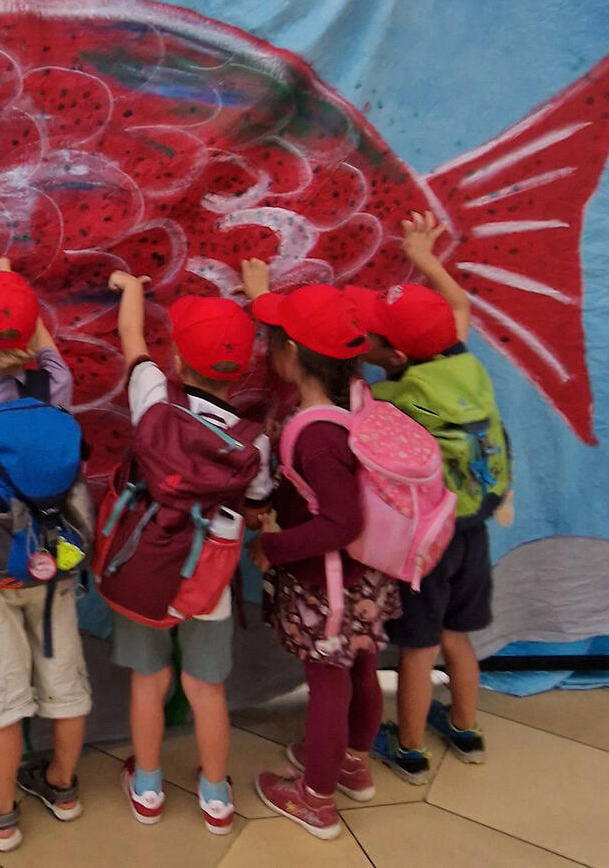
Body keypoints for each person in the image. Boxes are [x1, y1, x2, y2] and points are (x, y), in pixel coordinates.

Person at [107, 269, 272, 834]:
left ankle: (148, 786)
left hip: (145, 565)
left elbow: (131, 338)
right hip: (209, 579)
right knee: (207, 689)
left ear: (177, 356)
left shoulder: (152, 394)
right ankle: (215, 797)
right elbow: (255, 505)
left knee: (148, 681)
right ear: (244, 367)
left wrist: (133, 288)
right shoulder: (254, 442)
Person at [347, 211, 511, 781]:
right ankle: (465, 728)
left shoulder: (396, 395)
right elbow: (460, 309)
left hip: (430, 541)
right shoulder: (465, 364)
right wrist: (424, 259)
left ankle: (409, 747)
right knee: (457, 636)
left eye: (372, 335)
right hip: (477, 529)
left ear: (392, 357)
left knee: (417, 650)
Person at [241, 267, 399, 840]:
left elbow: (341, 520)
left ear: (290, 354)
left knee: (328, 681)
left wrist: (273, 546)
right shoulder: (357, 396)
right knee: (359, 666)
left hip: (325, 584)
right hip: (365, 577)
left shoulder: (315, 436)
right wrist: (264, 295)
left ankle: (316, 798)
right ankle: (351, 763)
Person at [0, 259, 92, 853]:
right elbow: (49, 349)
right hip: (57, 566)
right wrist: (15, 291)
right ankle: (61, 786)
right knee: (65, 678)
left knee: (3, 695)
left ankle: (0, 813)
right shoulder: (56, 385)